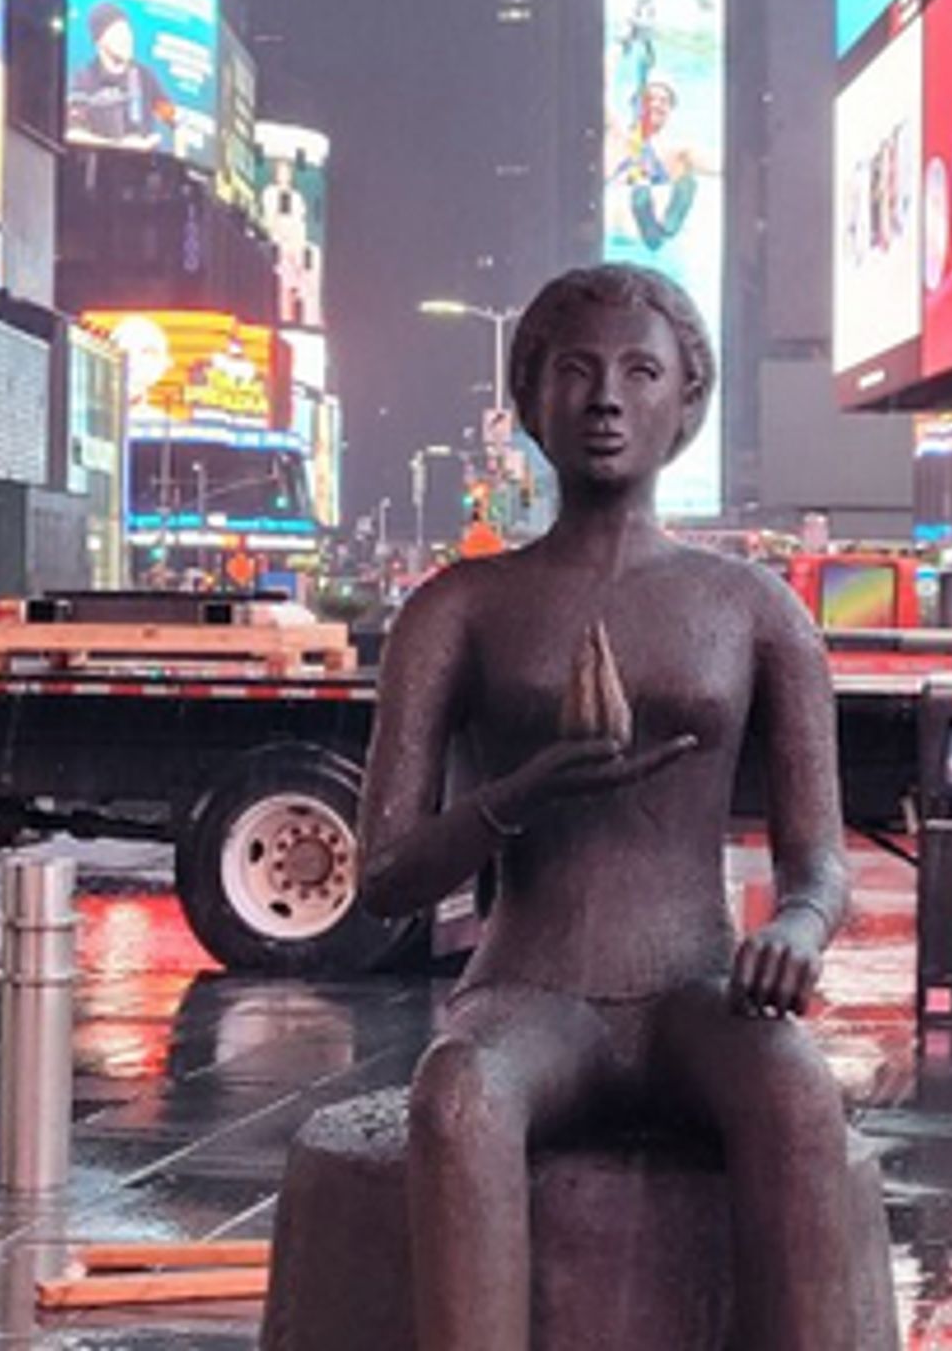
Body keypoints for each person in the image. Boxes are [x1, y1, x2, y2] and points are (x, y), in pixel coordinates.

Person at [359, 263, 855, 1351]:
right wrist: (508, 798)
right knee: (459, 1098)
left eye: (640, 371)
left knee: (794, 1092)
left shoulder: (754, 609)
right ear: (527, 397)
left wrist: (797, 927)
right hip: (530, 992)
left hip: (694, 986)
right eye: (574, 371)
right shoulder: (457, 607)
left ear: (687, 401)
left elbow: (818, 859)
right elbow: (384, 874)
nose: (605, 398)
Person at [65, 1, 172, 149]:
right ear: (100, 40)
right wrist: (118, 146)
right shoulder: (84, 79)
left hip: (144, 168)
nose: (127, 39)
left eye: (128, 32)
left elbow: (170, 114)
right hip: (102, 166)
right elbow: (73, 134)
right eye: (118, 33)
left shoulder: (144, 75)